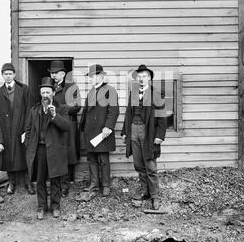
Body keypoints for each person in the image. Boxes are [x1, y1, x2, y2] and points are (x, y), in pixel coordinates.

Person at [121, 65, 167, 210]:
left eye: (144, 76)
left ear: (149, 78)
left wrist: (160, 136)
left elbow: (162, 118)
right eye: (139, 76)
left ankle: (155, 196)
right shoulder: (133, 93)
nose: (141, 79)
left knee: (150, 165)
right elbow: (128, 113)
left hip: (149, 133)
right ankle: (145, 191)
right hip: (134, 130)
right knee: (138, 164)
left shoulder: (156, 94)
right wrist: (124, 131)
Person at [24, 77, 70, 219]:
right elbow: (29, 130)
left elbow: (67, 127)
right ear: (40, 94)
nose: (45, 95)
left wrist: (55, 115)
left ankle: (55, 206)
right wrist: (30, 146)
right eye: (43, 92)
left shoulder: (61, 109)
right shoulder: (34, 110)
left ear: (53, 93)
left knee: (55, 180)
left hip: (55, 150)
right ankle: (41, 206)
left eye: (48, 92)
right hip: (39, 150)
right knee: (40, 179)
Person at [79, 64, 119, 200]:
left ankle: (106, 185)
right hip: (90, 131)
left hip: (103, 131)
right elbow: (85, 112)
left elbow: (114, 110)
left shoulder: (110, 90)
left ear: (101, 76)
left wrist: (108, 127)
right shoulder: (91, 92)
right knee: (91, 159)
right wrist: (82, 128)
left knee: (103, 159)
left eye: (93, 76)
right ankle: (94, 184)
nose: (90, 79)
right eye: (90, 76)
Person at [0, 63, 34, 195]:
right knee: (9, 156)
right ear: (2, 76)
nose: (8, 76)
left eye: (10, 74)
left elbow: (29, 110)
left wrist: (26, 130)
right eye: (5, 74)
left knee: (24, 155)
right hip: (6, 130)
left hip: (21, 128)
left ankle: (28, 183)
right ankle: (11, 182)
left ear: (14, 75)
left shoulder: (24, 89)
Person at [49, 60, 81, 197]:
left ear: (63, 73)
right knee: (54, 154)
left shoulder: (71, 86)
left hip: (67, 126)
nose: (53, 76)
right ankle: (55, 185)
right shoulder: (48, 86)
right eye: (52, 73)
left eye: (56, 73)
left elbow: (76, 106)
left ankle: (65, 186)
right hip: (52, 126)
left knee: (67, 154)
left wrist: (60, 109)